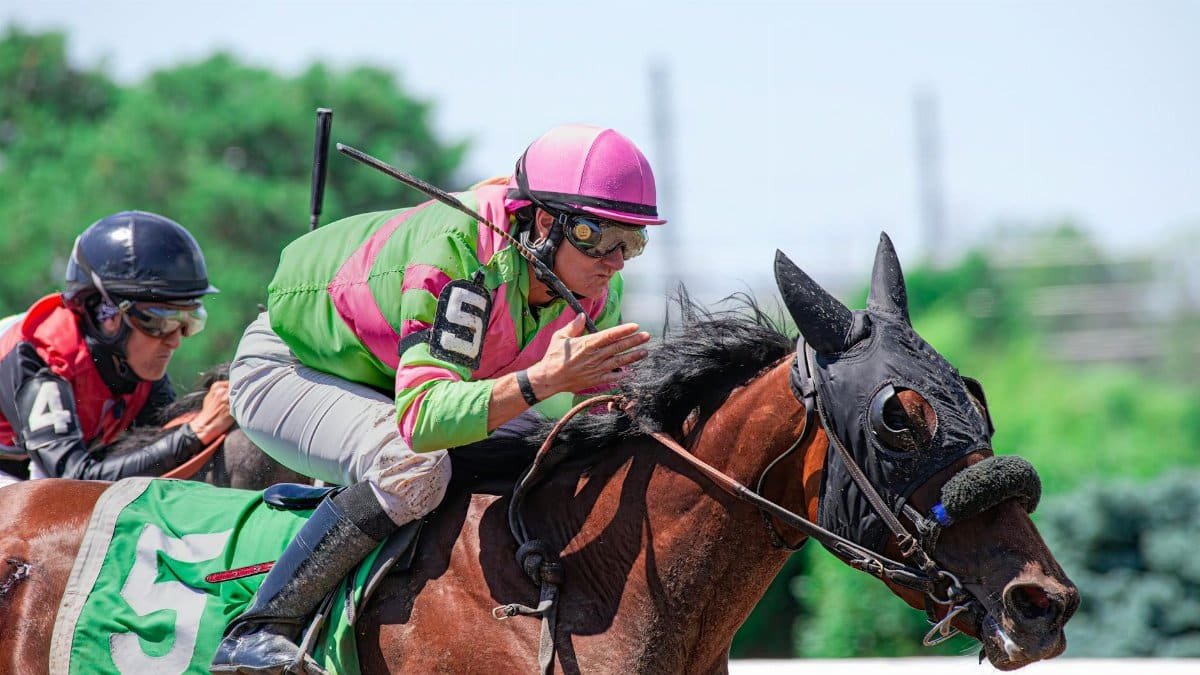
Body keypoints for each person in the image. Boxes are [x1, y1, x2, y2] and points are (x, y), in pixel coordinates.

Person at [211, 123, 664, 673]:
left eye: (632, 242)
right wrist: (540, 382)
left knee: (544, 454)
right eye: (600, 236)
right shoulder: (459, 256)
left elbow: (601, 422)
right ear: (547, 222)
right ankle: (262, 628)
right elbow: (424, 420)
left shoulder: (596, 290)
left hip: (401, 380)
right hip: (292, 368)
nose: (616, 260)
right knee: (414, 469)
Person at [0, 211, 234, 487]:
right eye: (161, 322)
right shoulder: (40, 358)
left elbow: (160, 443)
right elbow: (72, 481)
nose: (175, 341)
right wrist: (197, 430)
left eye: (189, 322)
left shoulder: (132, 362)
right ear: (107, 314)